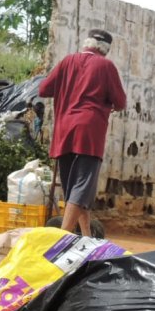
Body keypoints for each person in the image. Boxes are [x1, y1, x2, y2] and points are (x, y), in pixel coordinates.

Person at [39, 29, 126, 237]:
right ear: (105, 49)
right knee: (83, 186)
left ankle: (86, 235)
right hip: (89, 131)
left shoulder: (68, 61)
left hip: (63, 130)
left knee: (73, 188)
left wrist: (67, 87)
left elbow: (43, 90)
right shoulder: (106, 66)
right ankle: (62, 237)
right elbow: (121, 102)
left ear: (87, 44)